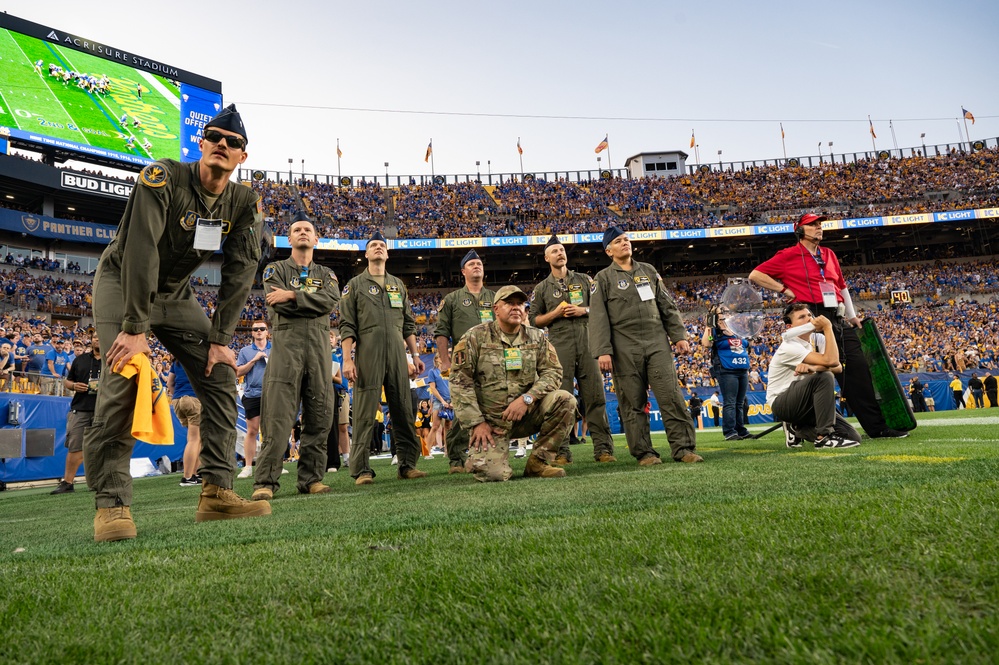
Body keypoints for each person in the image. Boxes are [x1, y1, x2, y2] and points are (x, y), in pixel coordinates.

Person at [82, 104, 270, 542]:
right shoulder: (162, 177)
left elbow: (242, 268)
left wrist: (223, 339)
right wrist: (134, 326)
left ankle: (217, 492)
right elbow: (141, 247)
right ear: (201, 144)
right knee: (125, 375)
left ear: (243, 156)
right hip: (123, 280)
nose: (223, 144)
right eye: (215, 136)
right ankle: (111, 505)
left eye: (234, 142)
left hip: (177, 291)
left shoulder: (244, 203)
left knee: (221, 373)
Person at [749, 213, 909, 439]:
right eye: (812, 225)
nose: (818, 228)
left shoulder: (829, 254)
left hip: (836, 315)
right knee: (815, 371)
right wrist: (784, 290)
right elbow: (756, 274)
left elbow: (841, 286)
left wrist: (852, 317)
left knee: (857, 368)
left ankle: (876, 427)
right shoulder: (788, 255)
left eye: (819, 225)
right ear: (799, 231)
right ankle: (801, 425)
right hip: (810, 317)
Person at [588, 225, 702, 465]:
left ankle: (684, 448)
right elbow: (598, 317)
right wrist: (603, 351)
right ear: (609, 251)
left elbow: (667, 305)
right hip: (624, 346)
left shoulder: (648, 271)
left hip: (656, 341)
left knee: (670, 395)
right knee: (633, 401)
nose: (625, 243)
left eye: (627, 239)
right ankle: (644, 453)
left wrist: (679, 335)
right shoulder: (603, 278)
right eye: (619, 241)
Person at [252, 212, 340, 500]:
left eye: (308, 230)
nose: (303, 233)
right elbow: (274, 305)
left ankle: (311, 479)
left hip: (318, 350)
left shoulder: (327, 275)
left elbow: (330, 302)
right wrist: (303, 302)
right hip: (286, 350)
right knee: (277, 417)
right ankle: (265, 481)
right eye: (297, 230)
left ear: (316, 239)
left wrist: (291, 296)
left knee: (319, 417)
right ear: (288, 239)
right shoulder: (274, 270)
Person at [450, 285, 574, 482]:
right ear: (496, 309)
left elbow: (553, 372)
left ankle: (538, 463)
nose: (516, 308)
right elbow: (459, 381)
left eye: (520, 304)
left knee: (565, 400)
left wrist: (527, 399)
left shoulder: (537, 337)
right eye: (509, 303)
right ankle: (482, 458)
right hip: (490, 424)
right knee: (493, 476)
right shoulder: (475, 337)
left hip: (526, 415)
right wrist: (476, 423)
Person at [340, 231, 427, 485]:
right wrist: (347, 359)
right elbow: (347, 325)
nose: (378, 248)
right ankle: (362, 470)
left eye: (382, 245)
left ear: (387, 254)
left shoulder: (398, 285)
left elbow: (408, 324)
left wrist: (415, 355)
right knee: (366, 411)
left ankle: (407, 464)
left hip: (398, 353)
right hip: (368, 350)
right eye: (373, 246)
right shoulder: (354, 285)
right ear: (366, 254)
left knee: (402, 408)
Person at [529, 234, 616, 464]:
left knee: (595, 398)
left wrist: (583, 311)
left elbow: (601, 308)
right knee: (561, 402)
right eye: (555, 251)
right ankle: (561, 452)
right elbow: (533, 320)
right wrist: (555, 314)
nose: (560, 253)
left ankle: (604, 450)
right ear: (547, 257)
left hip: (588, 345)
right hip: (559, 349)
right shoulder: (541, 288)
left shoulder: (586, 280)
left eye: (562, 250)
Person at [434, 249, 496, 474]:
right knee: (462, 411)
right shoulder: (452, 299)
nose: (476, 266)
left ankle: (488, 454)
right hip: (464, 362)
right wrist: (444, 360)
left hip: (493, 361)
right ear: (463, 271)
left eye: (479, 263)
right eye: (471, 264)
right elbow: (441, 332)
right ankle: (457, 460)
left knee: (492, 407)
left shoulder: (495, 298)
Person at [767, 303, 860, 449]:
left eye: (810, 315)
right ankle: (823, 437)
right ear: (790, 327)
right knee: (824, 377)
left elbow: (838, 367)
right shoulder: (789, 346)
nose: (809, 319)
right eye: (801, 317)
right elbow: (831, 361)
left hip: (808, 401)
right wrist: (828, 327)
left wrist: (814, 367)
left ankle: (797, 429)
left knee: (851, 437)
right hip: (783, 402)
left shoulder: (818, 339)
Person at [51, 333, 102, 494]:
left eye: (100, 335)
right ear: (91, 340)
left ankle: (100, 482)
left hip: (105, 409)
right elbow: (67, 380)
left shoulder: (113, 359)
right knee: (75, 447)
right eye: (94, 336)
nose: (97, 338)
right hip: (80, 408)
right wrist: (73, 386)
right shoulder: (80, 359)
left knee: (104, 448)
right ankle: (67, 482)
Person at [701, 306, 751, 440]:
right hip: (726, 369)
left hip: (741, 368)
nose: (725, 313)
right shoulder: (715, 331)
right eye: (722, 311)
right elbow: (706, 343)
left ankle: (740, 429)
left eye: (726, 311)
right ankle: (729, 431)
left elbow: (746, 344)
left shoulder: (736, 329)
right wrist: (709, 325)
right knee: (730, 401)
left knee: (739, 402)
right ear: (715, 315)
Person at [236, 320, 270, 478]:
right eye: (256, 329)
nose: (259, 331)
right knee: (252, 430)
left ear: (267, 332)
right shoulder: (245, 351)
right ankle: (248, 466)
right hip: (252, 394)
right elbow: (238, 372)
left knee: (272, 430)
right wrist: (254, 359)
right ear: (252, 332)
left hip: (272, 394)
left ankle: (274, 463)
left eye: (262, 329)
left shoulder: (276, 349)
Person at [168, 360, 202, 487]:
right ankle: (187, 477)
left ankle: (194, 474)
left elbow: (170, 383)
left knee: (198, 439)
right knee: (194, 439)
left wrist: (178, 395)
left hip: (177, 399)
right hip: (193, 398)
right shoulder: (197, 357)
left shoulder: (177, 360)